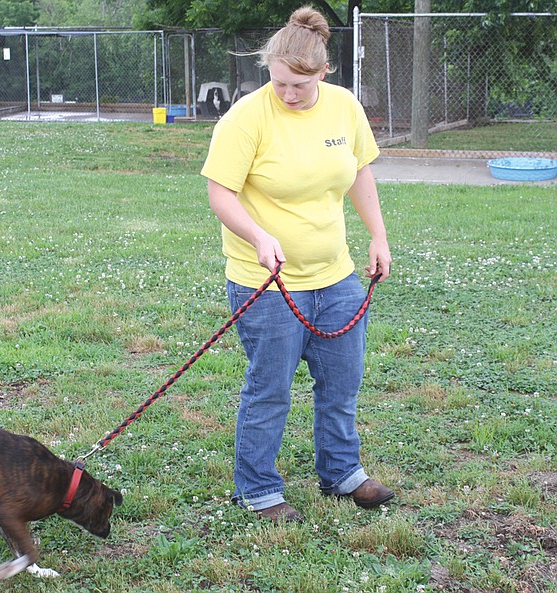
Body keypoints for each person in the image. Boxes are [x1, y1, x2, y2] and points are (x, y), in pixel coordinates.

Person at [201, 6, 394, 522]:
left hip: (337, 278)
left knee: (342, 382)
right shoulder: (245, 118)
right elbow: (220, 193)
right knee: (269, 390)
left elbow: (359, 173)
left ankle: (343, 472)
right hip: (266, 283)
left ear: (323, 73)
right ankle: (259, 489)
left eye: (300, 86)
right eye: (280, 82)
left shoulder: (344, 108)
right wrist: (259, 236)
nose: (288, 94)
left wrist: (378, 236)